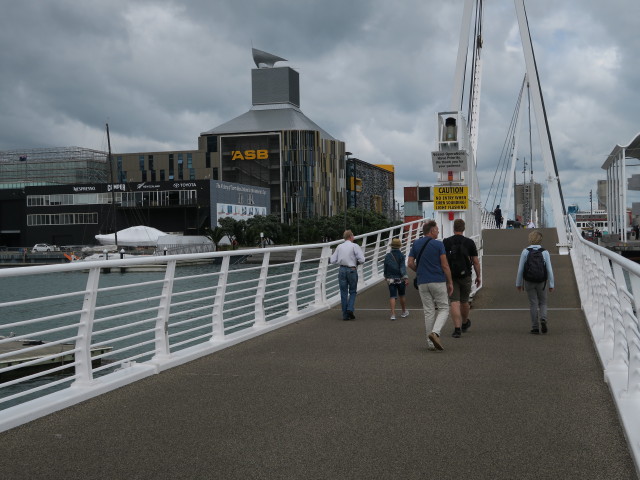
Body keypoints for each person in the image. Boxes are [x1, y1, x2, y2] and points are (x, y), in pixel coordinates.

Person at [408, 220, 453, 351]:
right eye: (437, 229)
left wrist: (419, 271)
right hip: (437, 280)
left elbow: (410, 263)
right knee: (444, 308)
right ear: (432, 231)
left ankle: (430, 344)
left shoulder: (416, 243)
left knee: (428, 311)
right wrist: (450, 282)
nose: (438, 231)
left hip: (422, 282)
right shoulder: (439, 245)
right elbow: (444, 265)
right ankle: (435, 332)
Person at [443, 219, 481, 338]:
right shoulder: (469, 242)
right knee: (464, 301)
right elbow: (475, 262)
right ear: (463, 228)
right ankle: (465, 322)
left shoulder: (446, 242)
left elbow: (442, 260)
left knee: (454, 302)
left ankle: (457, 329)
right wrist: (478, 276)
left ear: (453, 228)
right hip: (466, 275)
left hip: (451, 276)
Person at [515, 230, 554, 334]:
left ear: (530, 239)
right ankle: (543, 319)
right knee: (543, 302)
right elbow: (549, 269)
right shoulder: (545, 252)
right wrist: (551, 284)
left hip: (529, 281)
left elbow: (520, 269)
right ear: (541, 240)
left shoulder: (525, 251)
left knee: (533, 303)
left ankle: (535, 327)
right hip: (542, 281)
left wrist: (518, 284)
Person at [330, 229, 365, 321]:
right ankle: (350, 308)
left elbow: (332, 260)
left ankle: (345, 315)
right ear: (350, 237)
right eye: (353, 236)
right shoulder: (355, 246)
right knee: (353, 291)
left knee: (343, 292)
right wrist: (355, 262)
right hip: (352, 269)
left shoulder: (339, 246)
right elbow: (362, 259)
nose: (353, 237)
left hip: (342, 269)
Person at [383, 238, 409, 321]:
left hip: (390, 278)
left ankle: (393, 314)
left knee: (392, 296)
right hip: (400, 278)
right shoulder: (401, 255)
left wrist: (386, 276)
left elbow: (385, 267)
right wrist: (405, 277)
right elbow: (402, 268)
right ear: (399, 246)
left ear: (392, 246)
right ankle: (404, 312)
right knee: (402, 295)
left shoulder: (388, 256)